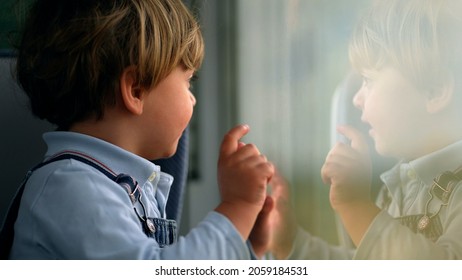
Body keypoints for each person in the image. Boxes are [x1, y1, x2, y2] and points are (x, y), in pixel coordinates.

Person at [4, 0, 274, 259]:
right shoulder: (70, 186)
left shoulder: (119, 185)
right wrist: (238, 206)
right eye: (188, 82)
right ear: (136, 90)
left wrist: (247, 248)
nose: (193, 99)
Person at [266, 0, 462, 259]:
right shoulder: (397, 190)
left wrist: (355, 206)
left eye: (368, 80)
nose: (356, 99)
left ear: (434, 92)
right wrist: (293, 245)